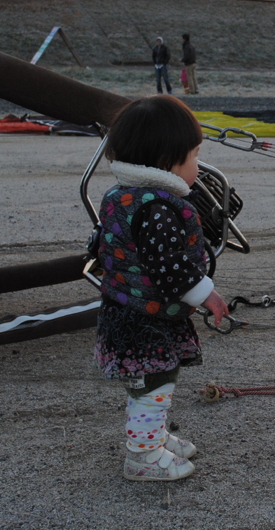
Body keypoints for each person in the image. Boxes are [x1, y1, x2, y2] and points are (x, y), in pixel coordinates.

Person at [93, 95, 230, 481]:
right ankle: (142, 456)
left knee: (154, 382)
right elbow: (169, 268)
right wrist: (208, 295)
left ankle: (153, 437)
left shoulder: (121, 196)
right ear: (164, 160)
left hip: (127, 310)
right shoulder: (157, 208)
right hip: (144, 321)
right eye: (193, 156)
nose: (197, 166)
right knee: (152, 384)